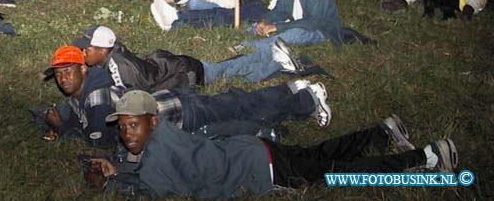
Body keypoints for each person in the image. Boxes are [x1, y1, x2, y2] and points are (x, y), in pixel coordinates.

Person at [89, 91, 457, 199]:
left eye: (133, 125)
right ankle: (381, 133)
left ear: (153, 121)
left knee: (340, 175)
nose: (127, 134)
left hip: (262, 168)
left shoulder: (156, 155)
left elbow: (153, 187)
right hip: (254, 149)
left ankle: (425, 159)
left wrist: (116, 177)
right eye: (122, 128)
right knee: (320, 154)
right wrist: (118, 166)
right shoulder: (165, 134)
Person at [37, 45, 329, 149]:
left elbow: (98, 140)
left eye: (69, 71)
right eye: (59, 73)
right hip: (175, 106)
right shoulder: (81, 94)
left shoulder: (97, 98)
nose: (63, 78)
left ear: (83, 70)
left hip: (180, 111)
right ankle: (294, 93)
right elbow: (77, 116)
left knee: (243, 107)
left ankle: (307, 98)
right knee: (241, 108)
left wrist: (62, 128)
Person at [78, 25, 304, 90]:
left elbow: (139, 94)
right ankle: (269, 55)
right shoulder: (114, 55)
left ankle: (277, 62)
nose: (83, 52)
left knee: (230, 72)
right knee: (227, 69)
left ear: (103, 50)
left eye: (87, 49)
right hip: (178, 66)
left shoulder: (119, 67)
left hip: (184, 73)